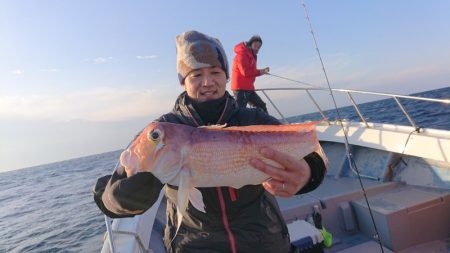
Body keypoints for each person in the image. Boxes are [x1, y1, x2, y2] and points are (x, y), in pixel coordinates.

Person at [93, 30, 327, 253]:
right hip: (194, 245)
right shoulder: (164, 129)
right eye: (196, 75)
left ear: (226, 76)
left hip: (263, 239)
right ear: (183, 81)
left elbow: (310, 149)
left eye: (215, 72)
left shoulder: (252, 119)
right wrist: (122, 199)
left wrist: (309, 173)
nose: (207, 82)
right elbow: (109, 195)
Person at [231, 35, 270, 113]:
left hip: (248, 88)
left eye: (259, 47)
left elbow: (251, 71)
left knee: (261, 106)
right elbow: (245, 72)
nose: (257, 48)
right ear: (250, 44)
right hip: (241, 89)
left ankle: (269, 124)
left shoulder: (251, 55)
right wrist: (261, 71)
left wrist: (262, 71)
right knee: (240, 111)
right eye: (255, 45)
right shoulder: (242, 54)